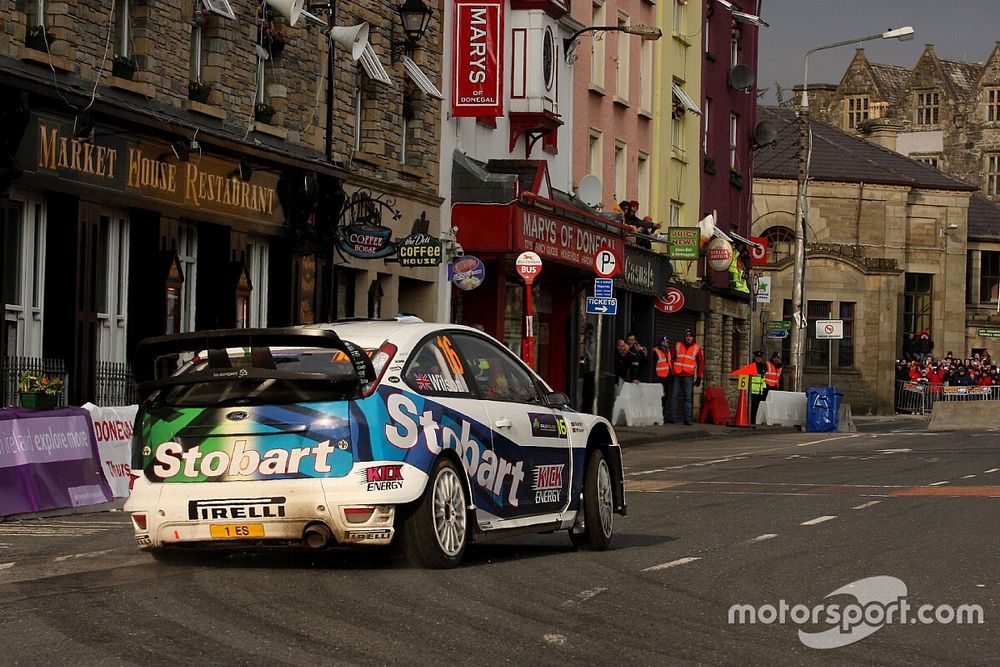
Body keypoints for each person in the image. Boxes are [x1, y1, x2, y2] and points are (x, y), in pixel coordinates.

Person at [669, 329, 704, 425]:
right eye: (687, 336)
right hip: (677, 375)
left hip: (688, 376)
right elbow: (670, 357)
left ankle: (687, 419)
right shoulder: (678, 345)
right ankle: (672, 418)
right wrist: (672, 371)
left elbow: (701, 363)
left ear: (693, 338)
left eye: (690, 336)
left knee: (687, 398)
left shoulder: (697, 348)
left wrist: (699, 377)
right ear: (684, 337)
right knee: (674, 397)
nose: (688, 338)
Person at [651, 336, 673, 421]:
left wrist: (671, 376)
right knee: (658, 398)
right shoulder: (656, 352)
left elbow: (669, 364)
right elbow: (653, 366)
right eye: (664, 342)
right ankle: (656, 416)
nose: (666, 344)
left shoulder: (667, 351)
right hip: (659, 378)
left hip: (667, 378)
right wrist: (655, 377)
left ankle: (663, 415)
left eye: (666, 342)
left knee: (665, 398)